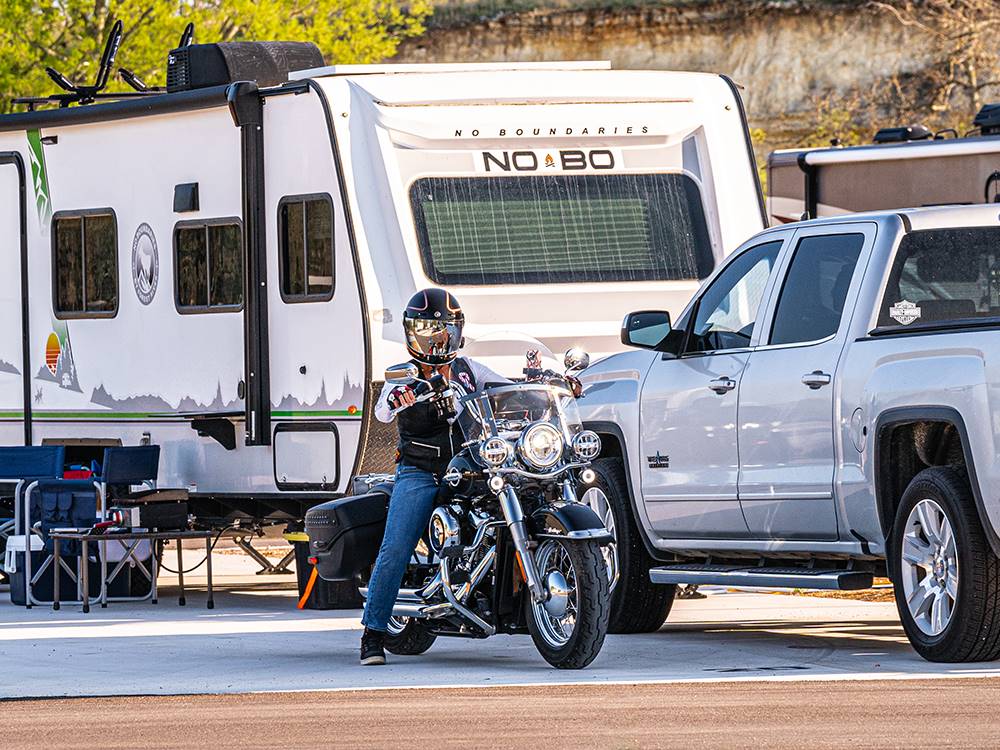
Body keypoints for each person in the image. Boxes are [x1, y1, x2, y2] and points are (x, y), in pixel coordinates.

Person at [360, 288, 510, 666]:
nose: (438, 338)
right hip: (421, 470)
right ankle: (373, 634)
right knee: (395, 547)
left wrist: (546, 381)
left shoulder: (469, 370)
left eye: (445, 329)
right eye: (429, 330)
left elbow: (507, 389)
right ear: (414, 335)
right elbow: (383, 410)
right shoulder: (405, 375)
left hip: (471, 466)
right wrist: (407, 396)